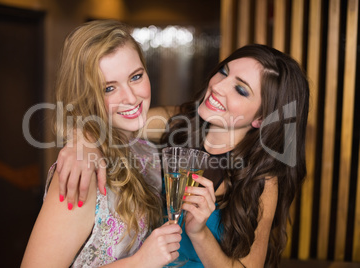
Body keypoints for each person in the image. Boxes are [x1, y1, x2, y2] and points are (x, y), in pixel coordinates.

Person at [57, 44, 309, 267]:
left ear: (261, 118)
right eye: (223, 72)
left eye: (240, 90)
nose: (218, 86)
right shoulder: (177, 122)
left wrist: (199, 233)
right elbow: (104, 123)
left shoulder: (262, 179)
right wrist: (83, 142)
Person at [21, 20, 183, 268]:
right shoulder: (80, 172)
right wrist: (139, 262)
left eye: (136, 77)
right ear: (86, 96)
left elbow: (187, 116)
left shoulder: (142, 146)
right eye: (109, 88)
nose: (130, 97)